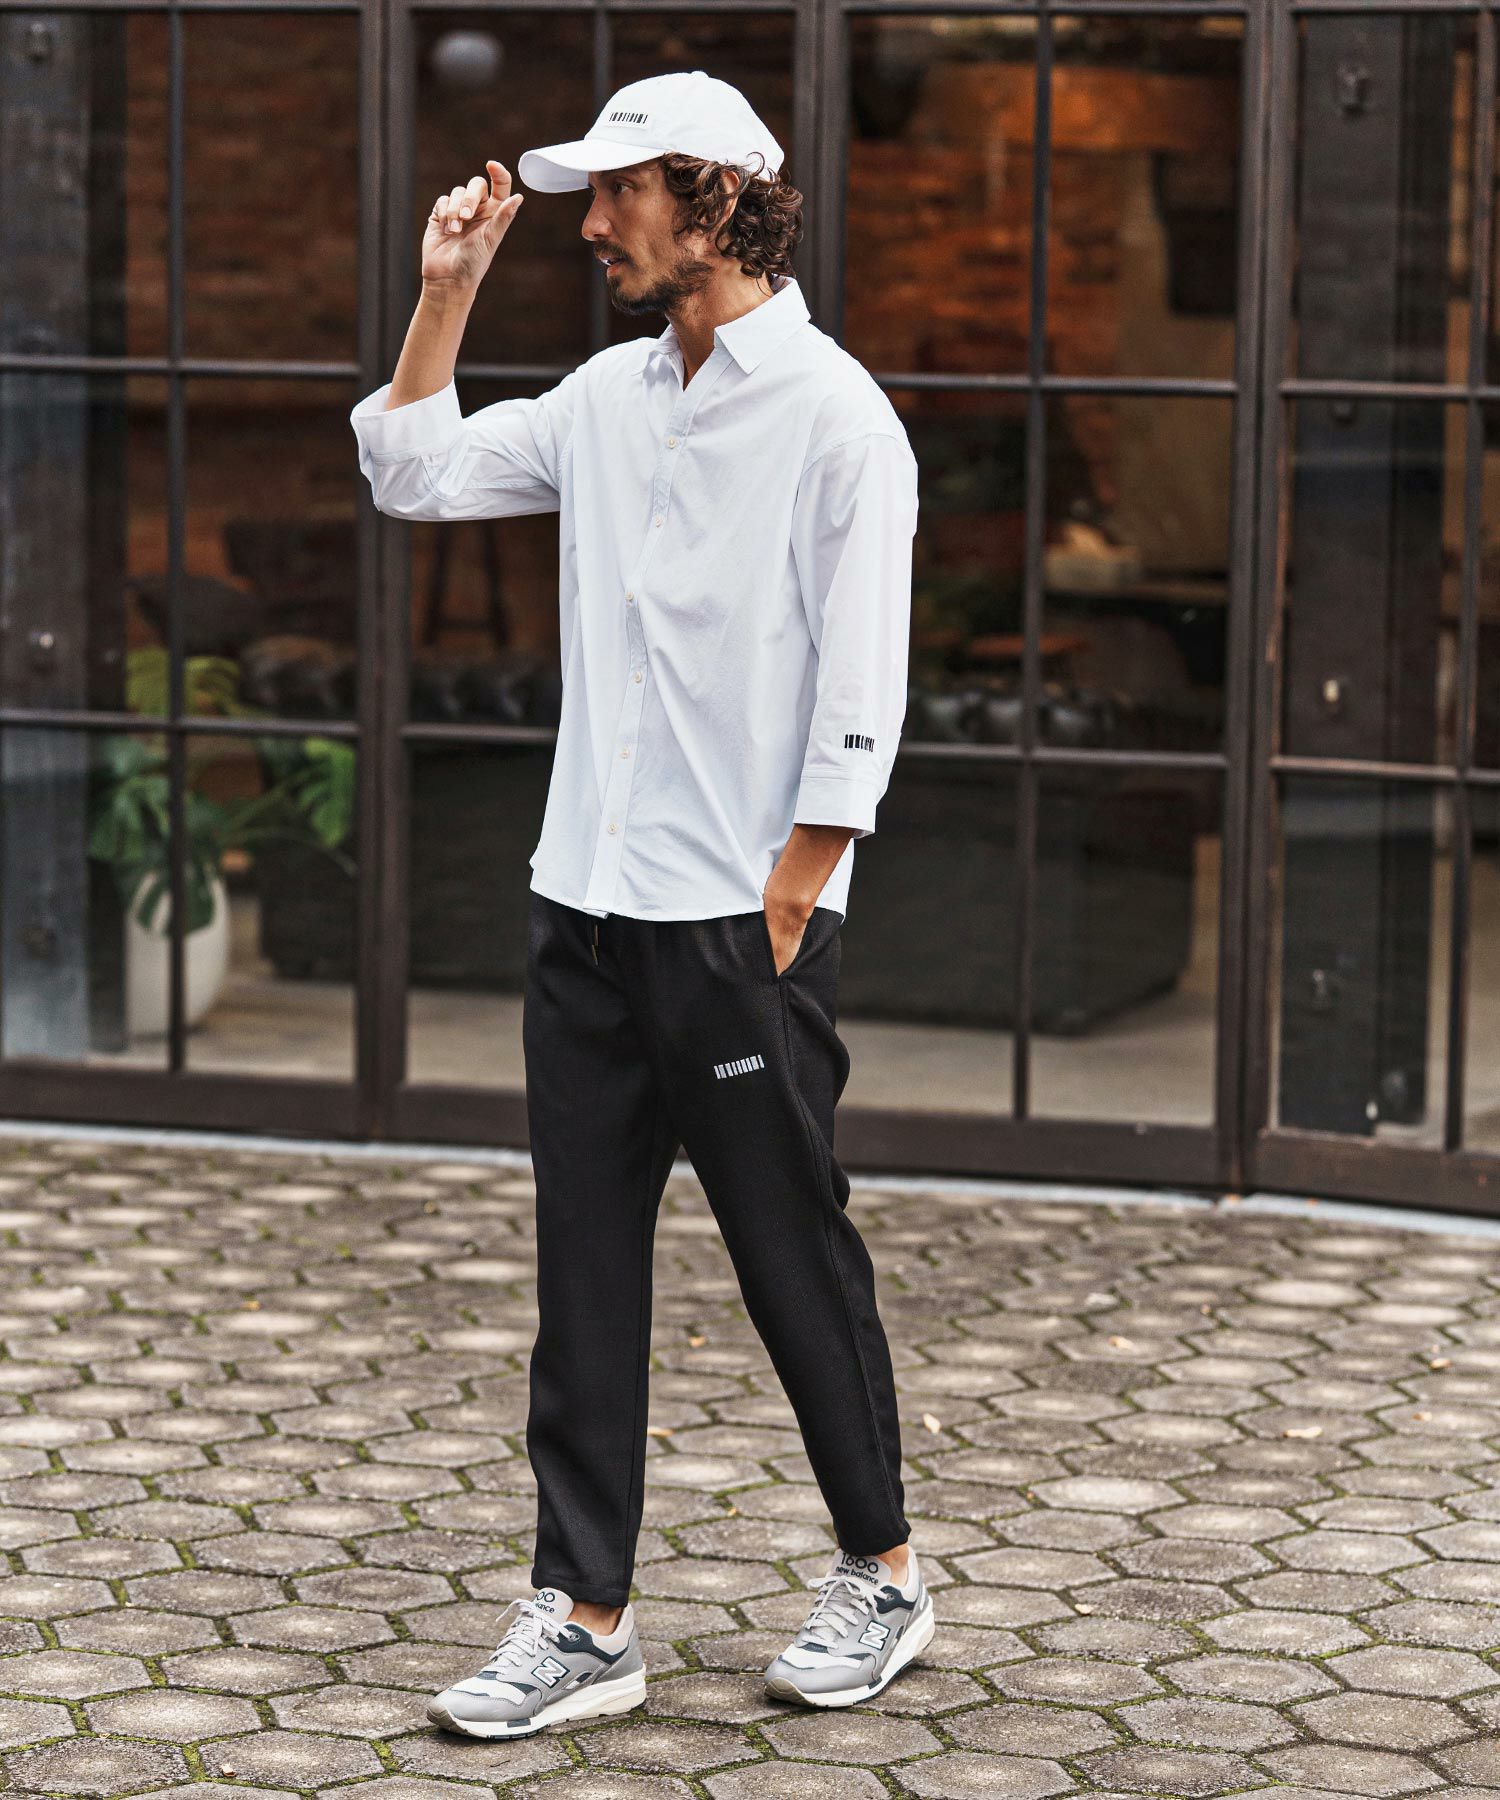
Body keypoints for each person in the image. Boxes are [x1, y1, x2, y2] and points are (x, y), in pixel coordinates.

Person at [349, 68, 930, 1740]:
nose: (591, 222)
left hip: (738, 924)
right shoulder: (606, 398)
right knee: (584, 1271)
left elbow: (864, 684)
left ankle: (884, 1573)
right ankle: (585, 1616)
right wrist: (445, 291)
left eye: (620, 192)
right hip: (585, 911)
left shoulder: (834, 415)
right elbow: (413, 474)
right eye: (588, 194)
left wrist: (791, 898)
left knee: (789, 1256)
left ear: (718, 201)